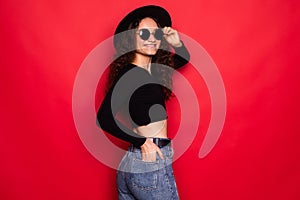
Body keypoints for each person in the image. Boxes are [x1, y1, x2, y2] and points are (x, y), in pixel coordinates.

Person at [97, 5, 190, 200]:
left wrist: (176, 42)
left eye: (156, 33)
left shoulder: (154, 70)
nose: (151, 38)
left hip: (134, 163)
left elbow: (183, 58)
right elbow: (103, 118)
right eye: (144, 33)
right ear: (131, 38)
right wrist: (142, 142)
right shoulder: (131, 74)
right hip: (148, 162)